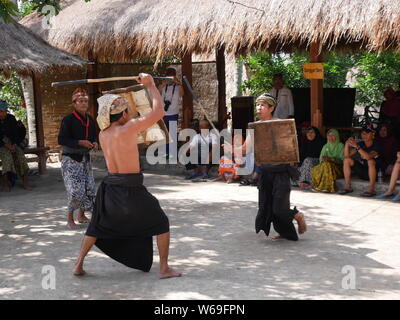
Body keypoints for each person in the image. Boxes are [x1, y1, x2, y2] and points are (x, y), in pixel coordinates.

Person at [73, 74, 181, 279]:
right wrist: (150, 86)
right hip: (130, 188)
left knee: (97, 227)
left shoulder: (103, 135)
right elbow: (158, 111)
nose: (130, 113)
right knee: (161, 223)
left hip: (110, 187)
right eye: (127, 111)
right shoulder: (128, 129)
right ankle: (164, 269)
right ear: (122, 114)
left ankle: (78, 264)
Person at [229, 93, 307, 241]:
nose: (259, 108)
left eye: (263, 105)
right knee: (267, 205)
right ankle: (284, 232)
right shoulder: (255, 127)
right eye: (258, 105)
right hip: (265, 172)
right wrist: (231, 148)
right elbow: (245, 149)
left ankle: (297, 215)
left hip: (281, 172)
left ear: (271, 108)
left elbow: (289, 148)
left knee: (279, 207)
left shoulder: (280, 124)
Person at [58, 88, 99, 229]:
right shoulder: (68, 120)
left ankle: (81, 216)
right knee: (75, 191)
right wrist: (79, 142)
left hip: (84, 158)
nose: (83, 103)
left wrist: (94, 142)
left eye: (85, 101)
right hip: (70, 159)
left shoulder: (90, 119)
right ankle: (70, 218)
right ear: (74, 104)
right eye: (80, 101)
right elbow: (61, 139)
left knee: (89, 188)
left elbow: (94, 135)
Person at [339, 125, 381, 197]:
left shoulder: (377, 144)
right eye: (362, 133)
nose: (364, 135)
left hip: (376, 174)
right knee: (347, 160)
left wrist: (357, 146)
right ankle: (348, 186)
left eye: (367, 133)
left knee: (370, 161)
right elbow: (346, 156)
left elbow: (368, 157)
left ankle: (372, 189)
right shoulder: (361, 143)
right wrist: (347, 144)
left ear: (373, 134)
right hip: (363, 172)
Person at [0, 100, 31, 192]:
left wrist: (14, 144)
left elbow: (16, 134)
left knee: (21, 156)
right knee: (7, 157)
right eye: (2, 111)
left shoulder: (11, 118)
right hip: (1, 145)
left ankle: (25, 182)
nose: (3, 113)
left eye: (4, 111)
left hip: (13, 143)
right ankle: (5, 184)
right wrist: (6, 145)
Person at [158, 67, 184, 159]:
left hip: (173, 114)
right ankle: (165, 152)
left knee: (172, 133)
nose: (169, 79)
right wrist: (163, 84)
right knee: (165, 133)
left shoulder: (177, 87)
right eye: (168, 76)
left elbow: (182, 93)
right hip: (163, 114)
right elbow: (158, 93)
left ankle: (172, 152)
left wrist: (178, 82)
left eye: (171, 77)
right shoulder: (163, 87)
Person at [311, 129, 344, 193]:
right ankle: (321, 186)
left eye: (333, 135)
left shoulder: (341, 146)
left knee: (327, 165)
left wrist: (331, 159)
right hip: (326, 167)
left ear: (337, 136)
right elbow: (321, 159)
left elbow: (342, 161)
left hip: (338, 169)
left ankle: (326, 187)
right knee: (317, 168)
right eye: (329, 135)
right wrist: (324, 159)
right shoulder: (325, 146)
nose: (330, 137)